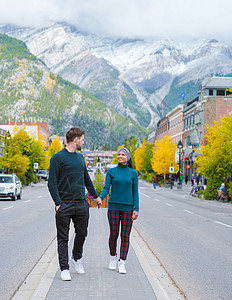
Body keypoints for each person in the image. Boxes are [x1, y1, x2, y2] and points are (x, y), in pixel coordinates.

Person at [48, 127, 102, 281]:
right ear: (76, 139)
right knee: (63, 238)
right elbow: (52, 183)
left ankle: (76, 258)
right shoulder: (57, 158)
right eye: (83, 139)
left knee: (82, 234)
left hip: (81, 204)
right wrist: (58, 203)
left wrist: (96, 197)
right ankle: (64, 268)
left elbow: (87, 180)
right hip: (64, 205)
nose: (83, 142)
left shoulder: (80, 158)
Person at [99, 147, 139, 274]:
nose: (120, 156)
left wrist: (136, 209)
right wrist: (100, 198)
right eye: (118, 154)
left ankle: (122, 262)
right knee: (113, 234)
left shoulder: (133, 173)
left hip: (128, 208)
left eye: (123, 154)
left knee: (125, 236)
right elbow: (106, 188)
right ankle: (113, 258)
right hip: (113, 207)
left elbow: (135, 192)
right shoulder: (111, 172)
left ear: (128, 157)